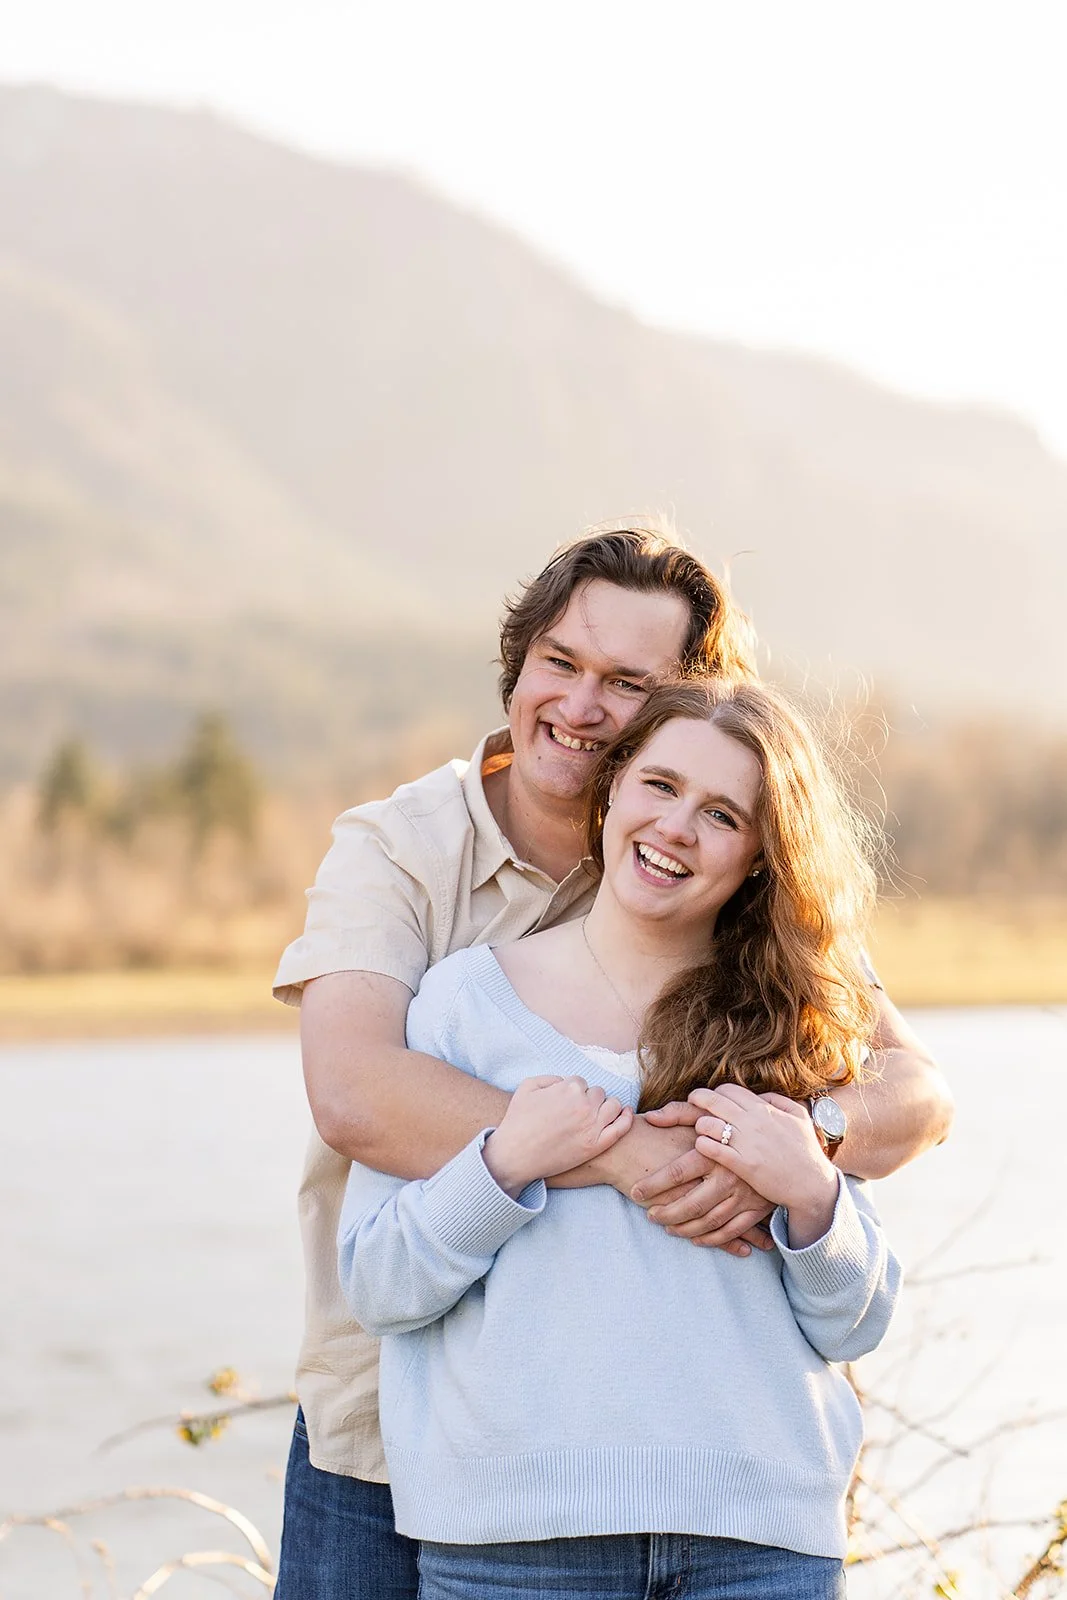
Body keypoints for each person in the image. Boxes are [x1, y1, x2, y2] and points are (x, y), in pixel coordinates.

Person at [272, 524, 951, 1599]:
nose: (580, 706)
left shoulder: (737, 910)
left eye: (626, 681)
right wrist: (633, 1152)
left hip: (715, 1490)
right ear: (519, 660)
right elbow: (355, 1094)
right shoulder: (401, 851)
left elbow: (908, 1088)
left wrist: (791, 1152)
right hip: (393, 1423)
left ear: (684, 704)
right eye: (560, 663)